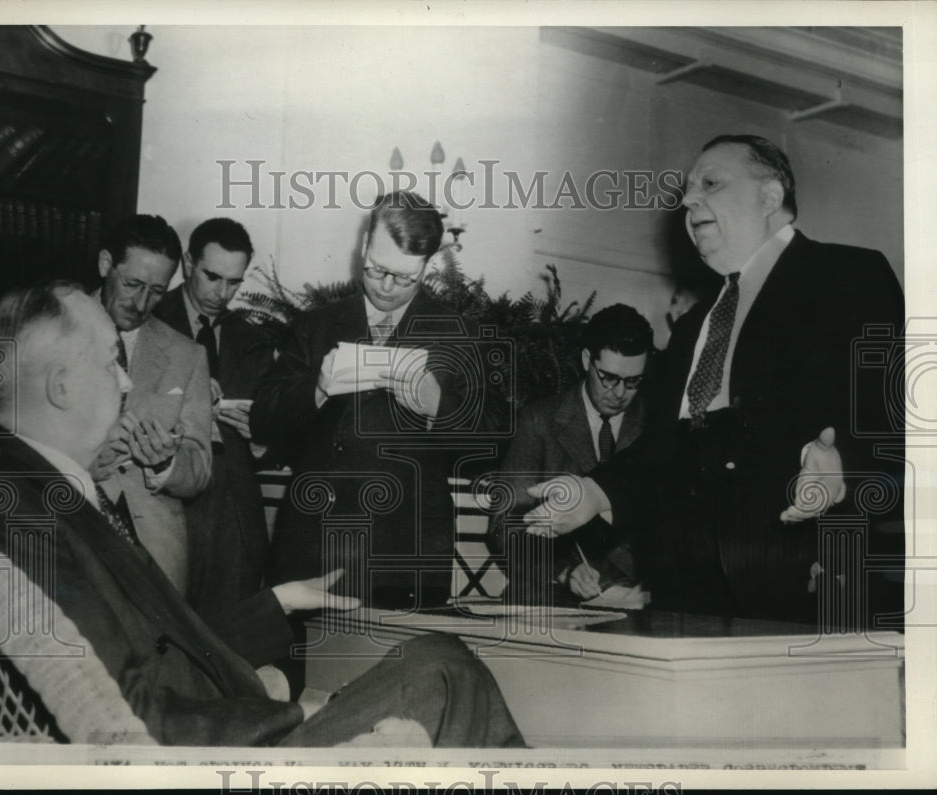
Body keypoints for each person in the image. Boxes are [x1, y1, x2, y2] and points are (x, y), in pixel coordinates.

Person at [0, 281, 525, 748]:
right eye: (114, 360)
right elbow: (132, 717)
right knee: (445, 673)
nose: (129, 380)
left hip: (219, 716)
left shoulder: (32, 487)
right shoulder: (18, 511)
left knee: (439, 663)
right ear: (62, 387)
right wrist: (291, 715)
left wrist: (277, 603)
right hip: (216, 755)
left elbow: (153, 646)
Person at [524, 135, 904, 626]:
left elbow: (897, 413)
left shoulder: (848, 274)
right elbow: (668, 444)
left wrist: (843, 465)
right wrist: (595, 493)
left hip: (798, 584)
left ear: (769, 197)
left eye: (711, 184)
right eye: (686, 190)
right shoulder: (695, 325)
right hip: (684, 592)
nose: (687, 200)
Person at [251, 190, 505, 610]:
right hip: (314, 545)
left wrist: (437, 405)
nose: (387, 287)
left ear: (427, 266)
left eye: (405, 278)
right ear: (363, 246)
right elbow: (263, 418)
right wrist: (315, 387)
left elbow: (495, 437)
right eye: (377, 270)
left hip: (405, 554)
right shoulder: (317, 325)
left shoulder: (457, 331)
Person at [490, 304, 652, 603]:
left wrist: (628, 581)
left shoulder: (656, 425)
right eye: (609, 378)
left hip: (637, 595)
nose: (619, 394)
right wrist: (565, 571)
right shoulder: (539, 420)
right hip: (551, 593)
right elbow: (506, 527)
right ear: (586, 360)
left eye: (633, 382)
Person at [153, 218, 275, 613]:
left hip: (234, 526)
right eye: (212, 277)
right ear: (188, 263)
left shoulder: (253, 342)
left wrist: (262, 442)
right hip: (166, 514)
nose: (222, 294)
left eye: (234, 282)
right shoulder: (148, 316)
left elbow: (274, 444)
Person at [90, 214, 211, 593]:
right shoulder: (50, 329)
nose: (142, 303)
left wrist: (166, 464)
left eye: (157, 291)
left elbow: (200, 468)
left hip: (155, 559)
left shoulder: (186, 354)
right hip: (67, 537)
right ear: (106, 264)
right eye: (133, 284)